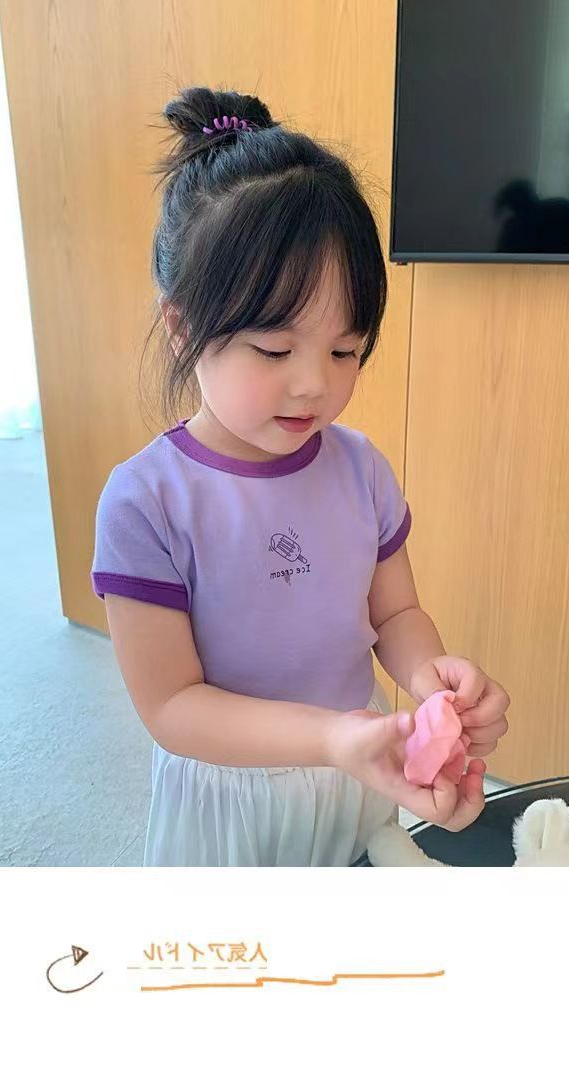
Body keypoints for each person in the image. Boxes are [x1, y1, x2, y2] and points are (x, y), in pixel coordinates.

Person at [91, 86, 511, 866]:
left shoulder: (360, 467)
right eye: (275, 350)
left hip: (356, 772)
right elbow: (172, 706)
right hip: (232, 801)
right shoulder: (147, 501)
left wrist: (432, 680)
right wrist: (329, 737)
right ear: (183, 326)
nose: (315, 383)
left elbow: (395, 612)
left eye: (345, 350)